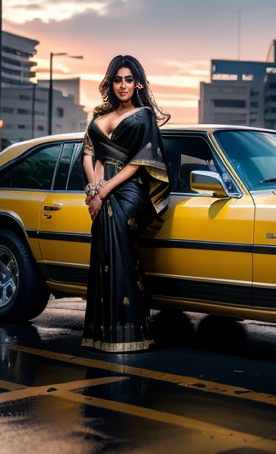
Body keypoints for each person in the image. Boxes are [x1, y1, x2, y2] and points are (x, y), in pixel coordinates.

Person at [75, 55, 171, 353]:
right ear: (111, 83)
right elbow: (88, 153)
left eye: (129, 79)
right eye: (118, 79)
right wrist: (93, 188)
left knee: (120, 253)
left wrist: (103, 193)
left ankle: (131, 332)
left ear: (138, 83)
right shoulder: (99, 117)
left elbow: (139, 163)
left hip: (130, 193)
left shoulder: (143, 116)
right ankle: (103, 334)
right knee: (104, 255)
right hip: (101, 190)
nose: (123, 85)